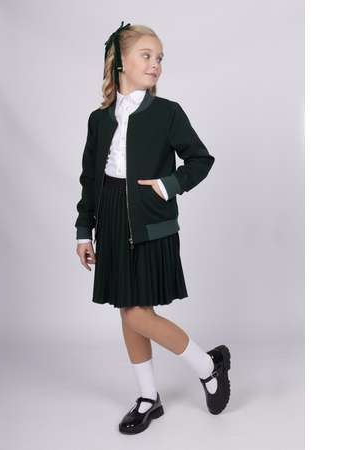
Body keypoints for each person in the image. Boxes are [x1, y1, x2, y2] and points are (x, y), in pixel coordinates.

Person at [74, 21, 231, 434]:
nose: (155, 64)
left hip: (151, 223)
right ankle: (149, 397)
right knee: (129, 311)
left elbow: (200, 160)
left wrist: (168, 185)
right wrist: (84, 230)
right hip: (111, 220)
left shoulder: (167, 113)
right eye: (146, 55)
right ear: (120, 62)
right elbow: (90, 179)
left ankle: (207, 365)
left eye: (159, 57)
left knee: (136, 313)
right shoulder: (98, 120)